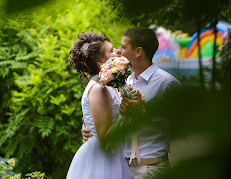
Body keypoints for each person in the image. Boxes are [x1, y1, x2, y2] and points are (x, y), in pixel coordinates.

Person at [82, 26, 180, 179]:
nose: (119, 50)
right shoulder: (123, 80)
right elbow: (108, 113)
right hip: (120, 168)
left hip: (150, 168)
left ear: (138, 52)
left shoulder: (166, 83)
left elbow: (181, 126)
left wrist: (143, 113)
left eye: (123, 46)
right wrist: (89, 127)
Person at [66, 32, 131, 179]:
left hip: (114, 155)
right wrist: (127, 111)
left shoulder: (110, 85)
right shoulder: (98, 89)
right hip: (101, 160)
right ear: (102, 62)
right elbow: (106, 140)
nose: (117, 52)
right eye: (112, 51)